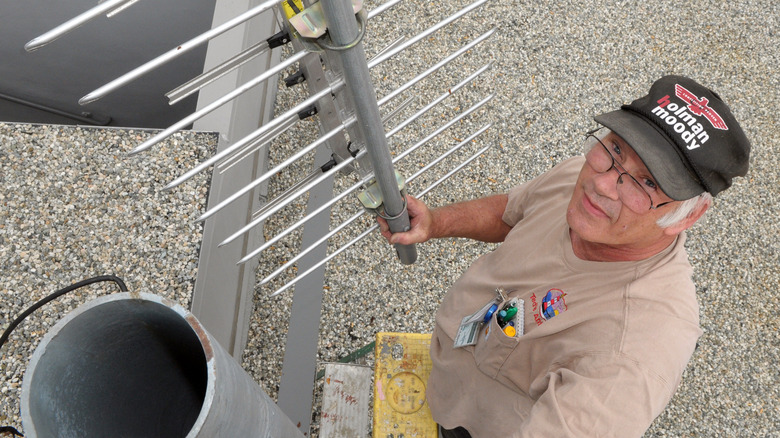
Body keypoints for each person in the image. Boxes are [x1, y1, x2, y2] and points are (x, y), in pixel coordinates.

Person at [377, 75, 750, 437]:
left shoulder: (631, 355)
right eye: (616, 149)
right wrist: (436, 222)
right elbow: (512, 211)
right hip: (452, 374)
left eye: (647, 182)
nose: (602, 184)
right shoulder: (582, 179)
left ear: (689, 215)